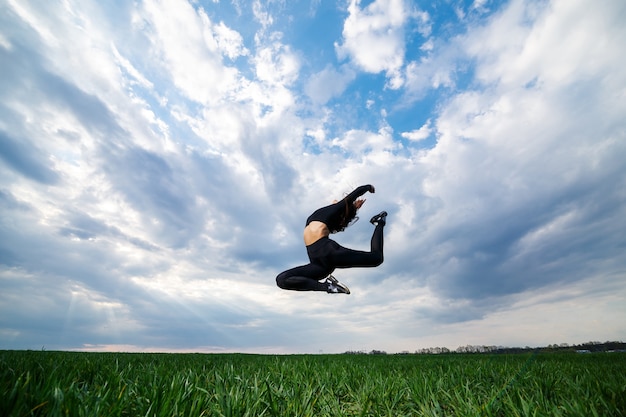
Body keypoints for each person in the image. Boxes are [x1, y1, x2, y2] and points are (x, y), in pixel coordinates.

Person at [276, 184, 387, 294]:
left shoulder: (332, 210)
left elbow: (355, 193)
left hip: (328, 252)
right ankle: (328, 286)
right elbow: (343, 207)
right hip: (319, 264)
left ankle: (379, 222)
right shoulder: (324, 215)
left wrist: (368, 187)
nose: (335, 201)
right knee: (281, 280)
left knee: (376, 258)